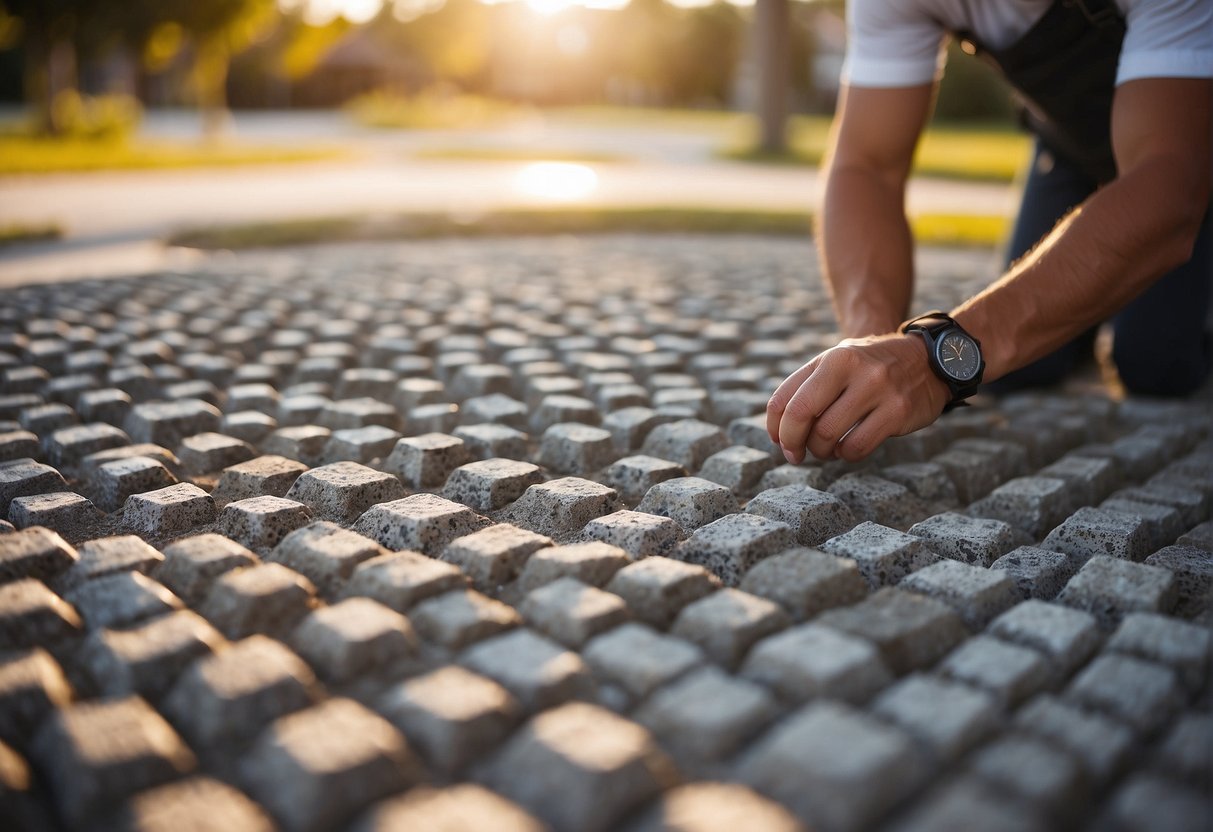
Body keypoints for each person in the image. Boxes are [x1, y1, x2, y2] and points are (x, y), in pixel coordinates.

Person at [766, 0, 1212, 466]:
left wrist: (934, 361)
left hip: (1186, 153)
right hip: (1070, 145)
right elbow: (866, 168)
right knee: (1019, 367)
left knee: (1156, 364)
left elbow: (1170, 184)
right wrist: (873, 350)